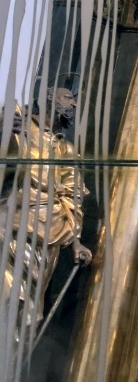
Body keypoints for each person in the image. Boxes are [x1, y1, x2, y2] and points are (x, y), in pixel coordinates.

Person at [0, 88, 91, 337]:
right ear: (50, 96)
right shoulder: (20, 124)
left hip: (49, 235)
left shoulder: (66, 149)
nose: (74, 105)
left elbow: (73, 196)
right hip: (10, 224)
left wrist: (76, 242)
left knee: (27, 312)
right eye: (69, 98)